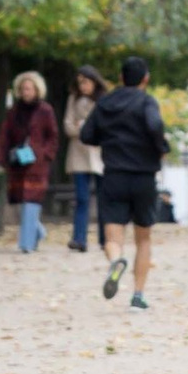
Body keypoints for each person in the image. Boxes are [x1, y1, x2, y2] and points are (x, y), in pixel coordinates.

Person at [92, 54, 169, 310]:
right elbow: (155, 124)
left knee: (113, 237)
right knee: (143, 239)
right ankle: (137, 296)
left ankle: (116, 260)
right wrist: (161, 146)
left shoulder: (105, 103)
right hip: (144, 177)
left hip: (114, 175)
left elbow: (86, 134)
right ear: (145, 79)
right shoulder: (147, 102)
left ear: (121, 78)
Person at [0, 69, 60, 253]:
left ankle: (26, 244)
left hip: (37, 164)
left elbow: (53, 136)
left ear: (37, 90)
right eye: (23, 89)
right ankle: (37, 232)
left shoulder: (45, 111)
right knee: (21, 203)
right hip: (18, 163)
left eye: (29, 89)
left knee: (31, 200)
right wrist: (0, 159)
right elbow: (4, 136)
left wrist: (45, 154)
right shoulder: (13, 112)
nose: (26, 92)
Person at [61, 68, 104, 252]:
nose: (83, 86)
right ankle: (79, 239)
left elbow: (105, 126)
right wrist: (85, 129)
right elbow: (68, 126)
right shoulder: (73, 99)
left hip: (100, 155)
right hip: (78, 154)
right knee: (81, 198)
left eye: (86, 82)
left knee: (104, 199)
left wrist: (84, 127)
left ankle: (105, 239)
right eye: (80, 82)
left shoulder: (104, 100)